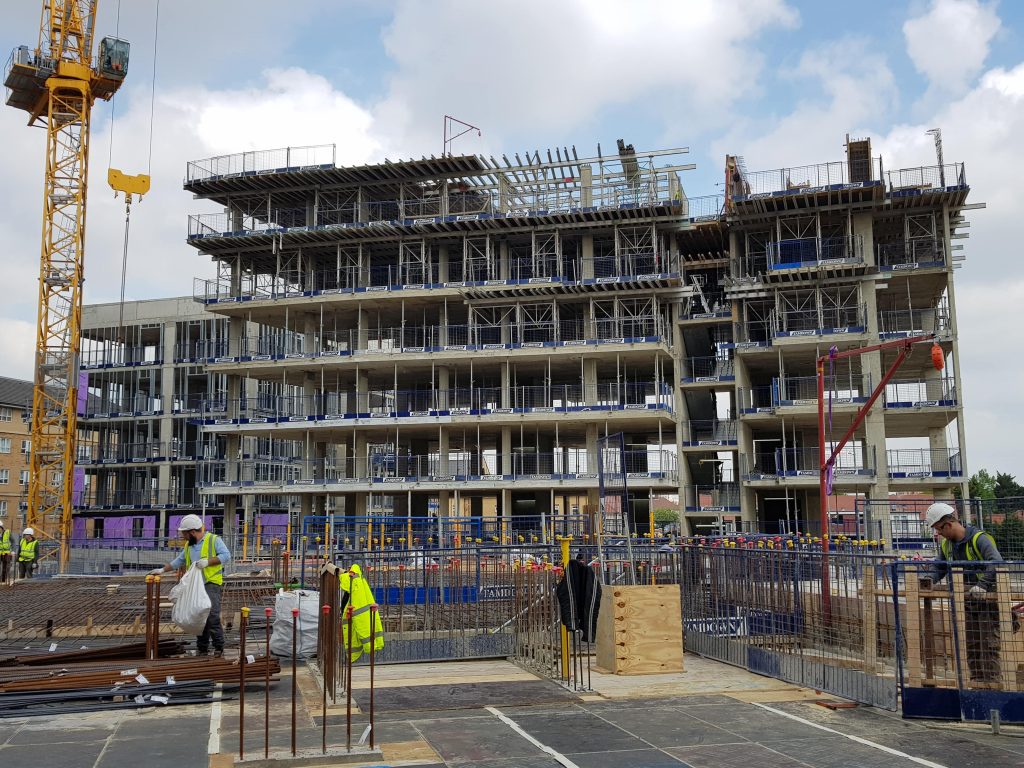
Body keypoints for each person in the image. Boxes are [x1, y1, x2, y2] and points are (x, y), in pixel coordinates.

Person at [919, 502, 1006, 683]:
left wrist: (982, 585)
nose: (939, 534)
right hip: (966, 601)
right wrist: (927, 580)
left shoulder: (979, 539)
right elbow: (939, 568)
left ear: (949, 525)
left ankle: (992, 688)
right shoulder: (947, 546)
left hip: (987, 600)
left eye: (939, 530)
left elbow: (997, 562)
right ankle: (977, 684)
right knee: (973, 646)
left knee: (988, 646)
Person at [150, 514, 231, 657]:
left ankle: (219, 647)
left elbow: (226, 555)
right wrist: (162, 570)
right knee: (199, 615)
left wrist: (207, 562)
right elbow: (179, 561)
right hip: (196, 586)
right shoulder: (189, 545)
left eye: (185, 534)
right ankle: (202, 648)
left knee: (211, 615)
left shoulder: (213, 540)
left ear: (192, 532)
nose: (184, 537)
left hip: (211, 583)